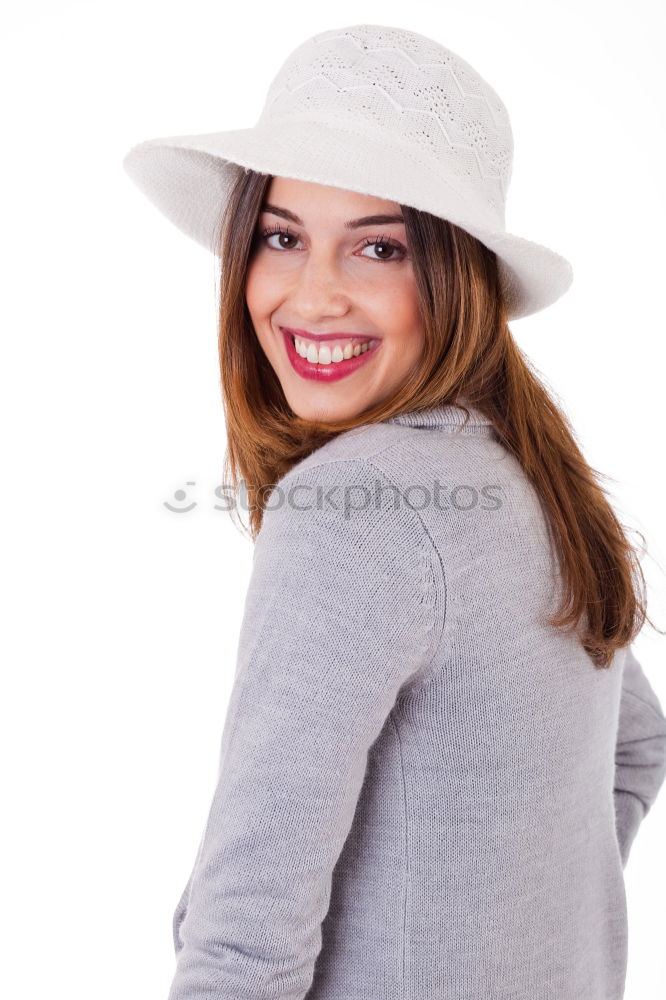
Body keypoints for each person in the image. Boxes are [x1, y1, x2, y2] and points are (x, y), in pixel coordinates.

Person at [122, 23, 666, 1000]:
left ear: (455, 276)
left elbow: (244, 948)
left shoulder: (351, 509)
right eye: (283, 236)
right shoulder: (529, 471)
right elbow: (642, 741)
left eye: (377, 247)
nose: (311, 294)